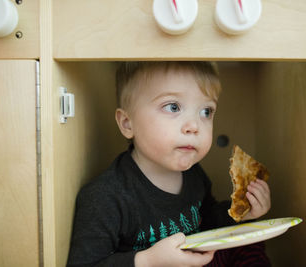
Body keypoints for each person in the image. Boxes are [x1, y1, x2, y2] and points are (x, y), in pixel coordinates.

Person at [67, 62, 271, 267]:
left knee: (249, 238)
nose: (194, 126)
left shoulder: (193, 174)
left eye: (206, 112)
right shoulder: (105, 197)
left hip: (197, 260)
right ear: (128, 123)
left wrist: (243, 212)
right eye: (173, 107)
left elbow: (209, 220)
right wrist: (147, 261)